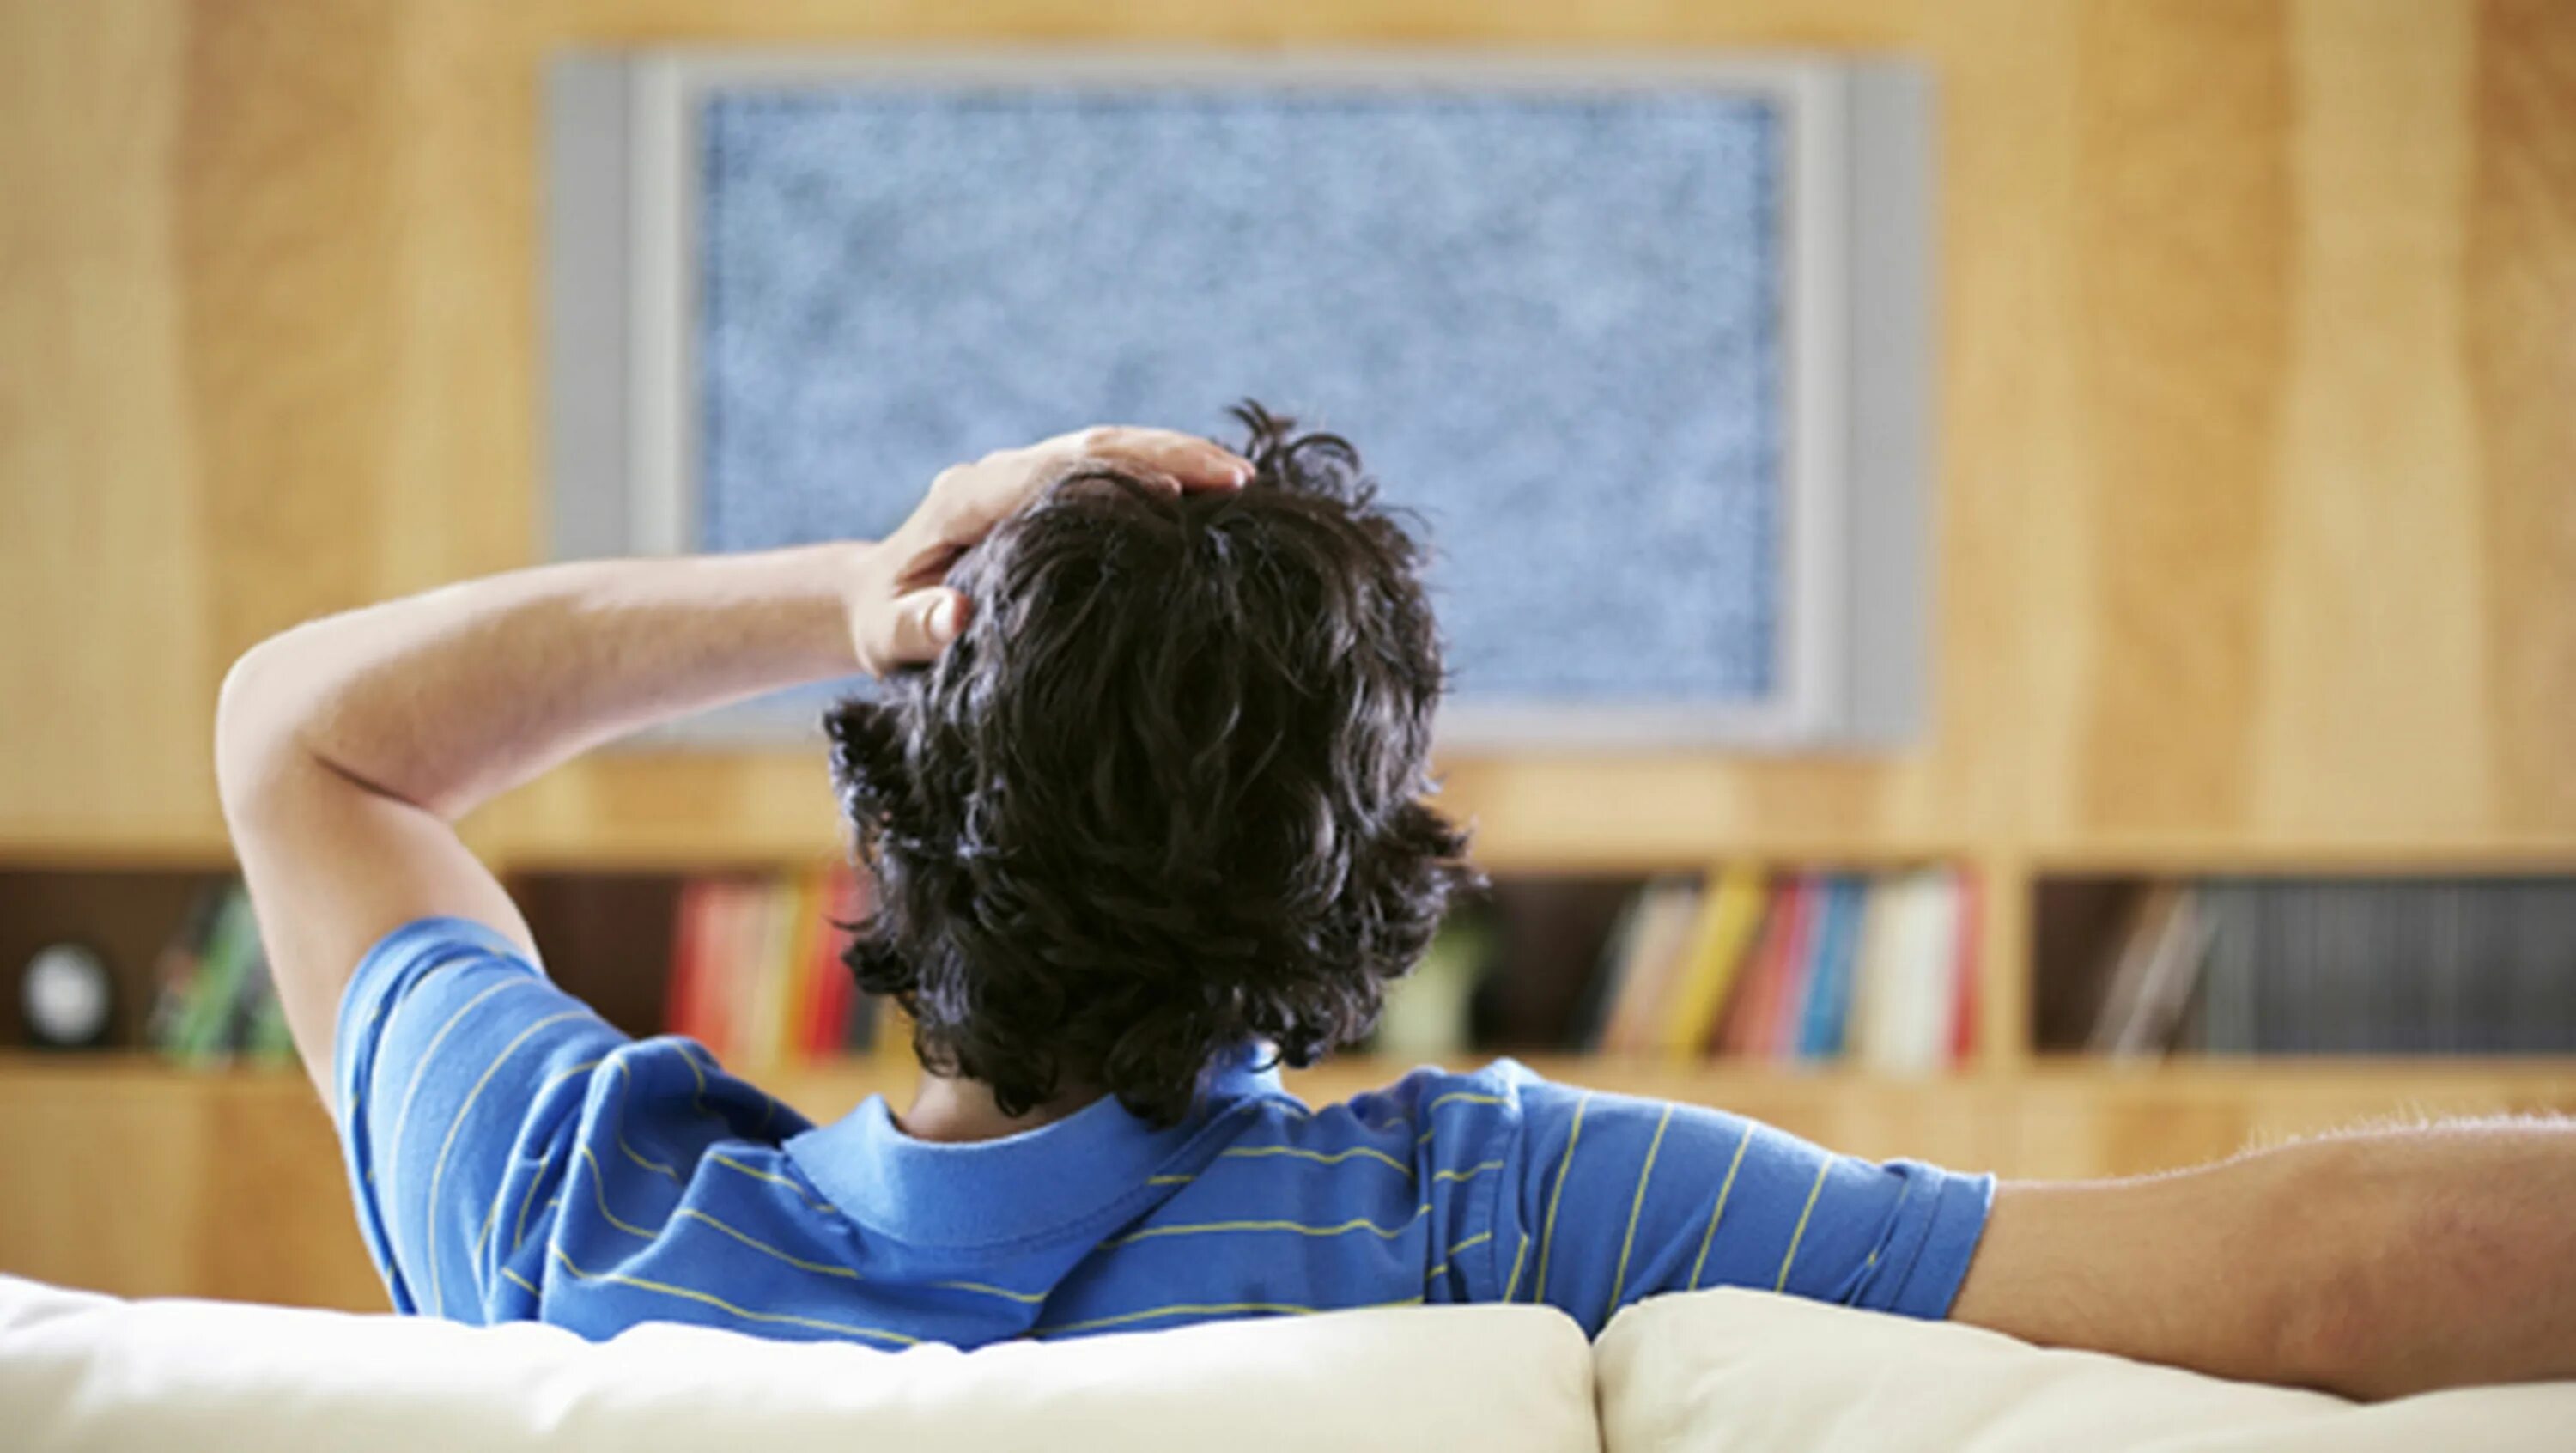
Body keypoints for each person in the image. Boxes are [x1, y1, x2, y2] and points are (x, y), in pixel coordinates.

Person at [218, 406, 2573, 1400]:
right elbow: (2305, 1262)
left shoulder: (569, 1211)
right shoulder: (1497, 1210)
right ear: (1362, 894)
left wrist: (852, 588)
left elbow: (301, 734)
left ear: (889, 816)